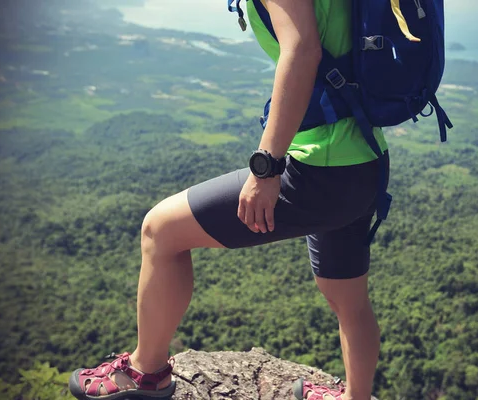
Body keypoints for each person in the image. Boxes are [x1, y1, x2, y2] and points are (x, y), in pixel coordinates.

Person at [68, 0, 389, 399]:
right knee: (349, 298)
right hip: (364, 162)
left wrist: (266, 169)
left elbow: (303, 49)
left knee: (160, 231)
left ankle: (144, 373)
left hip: (319, 168)